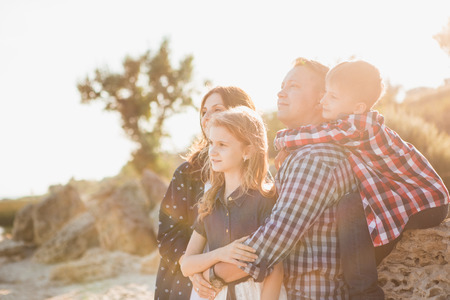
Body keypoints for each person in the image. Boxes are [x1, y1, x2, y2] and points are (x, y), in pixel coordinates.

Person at [274, 60, 450, 299]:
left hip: (426, 200)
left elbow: (320, 134)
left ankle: (364, 293)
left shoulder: (359, 125)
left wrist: (283, 141)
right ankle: (358, 282)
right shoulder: (348, 124)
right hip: (402, 196)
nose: (323, 100)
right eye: (325, 93)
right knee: (358, 228)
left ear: (357, 107)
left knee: (352, 207)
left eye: (333, 97)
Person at [208, 58, 360, 299]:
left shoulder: (315, 158)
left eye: (294, 86)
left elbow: (271, 240)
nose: (281, 93)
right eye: (282, 85)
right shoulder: (299, 153)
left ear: (322, 98)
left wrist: (209, 274)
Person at [155, 86, 256, 300]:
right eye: (203, 111)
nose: (207, 117)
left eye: (217, 109)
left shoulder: (257, 181)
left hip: (240, 287)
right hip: (188, 284)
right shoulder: (187, 172)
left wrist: (216, 275)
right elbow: (168, 234)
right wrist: (194, 272)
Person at [180, 106, 286, 300]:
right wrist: (221, 253)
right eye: (211, 143)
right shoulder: (210, 201)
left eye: (222, 144)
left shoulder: (264, 199)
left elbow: (276, 269)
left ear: (247, 151)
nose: (212, 151)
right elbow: (186, 265)